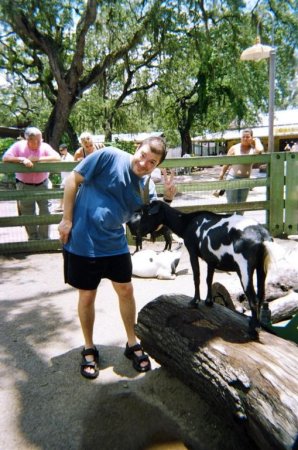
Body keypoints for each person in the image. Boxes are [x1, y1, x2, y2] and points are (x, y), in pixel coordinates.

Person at [58, 137, 176, 380]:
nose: (144, 163)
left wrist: (168, 199)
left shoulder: (146, 188)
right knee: (87, 294)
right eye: (143, 155)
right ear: (137, 149)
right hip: (84, 239)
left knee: (126, 289)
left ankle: (132, 342)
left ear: (156, 166)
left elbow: (151, 226)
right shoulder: (109, 156)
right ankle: (89, 347)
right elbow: (72, 180)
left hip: (115, 243)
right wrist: (66, 219)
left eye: (151, 162)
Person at [2, 126, 60, 240]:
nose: (39, 142)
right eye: (36, 140)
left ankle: (44, 239)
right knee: (28, 213)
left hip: (43, 184)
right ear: (28, 139)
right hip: (24, 185)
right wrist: (22, 159)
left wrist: (38, 159)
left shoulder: (45, 146)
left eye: (41, 139)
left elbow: (57, 157)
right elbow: (6, 157)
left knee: (46, 212)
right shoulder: (18, 146)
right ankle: (33, 239)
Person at [218, 128, 263, 210]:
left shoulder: (253, 149)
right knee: (231, 206)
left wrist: (257, 140)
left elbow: (260, 150)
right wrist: (221, 177)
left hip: (246, 180)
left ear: (252, 138)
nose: (245, 139)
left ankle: (238, 221)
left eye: (248, 137)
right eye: (243, 137)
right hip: (232, 179)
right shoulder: (234, 148)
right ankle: (230, 222)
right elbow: (226, 164)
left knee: (242, 206)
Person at [55, 143, 74, 212]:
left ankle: (62, 206)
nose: (61, 151)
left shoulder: (70, 158)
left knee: (64, 192)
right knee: (62, 191)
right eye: (60, 150)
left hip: (68, 177)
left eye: (62, 150)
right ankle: (61, 206)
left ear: (65, 149)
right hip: (64, 177)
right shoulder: (63, 157)